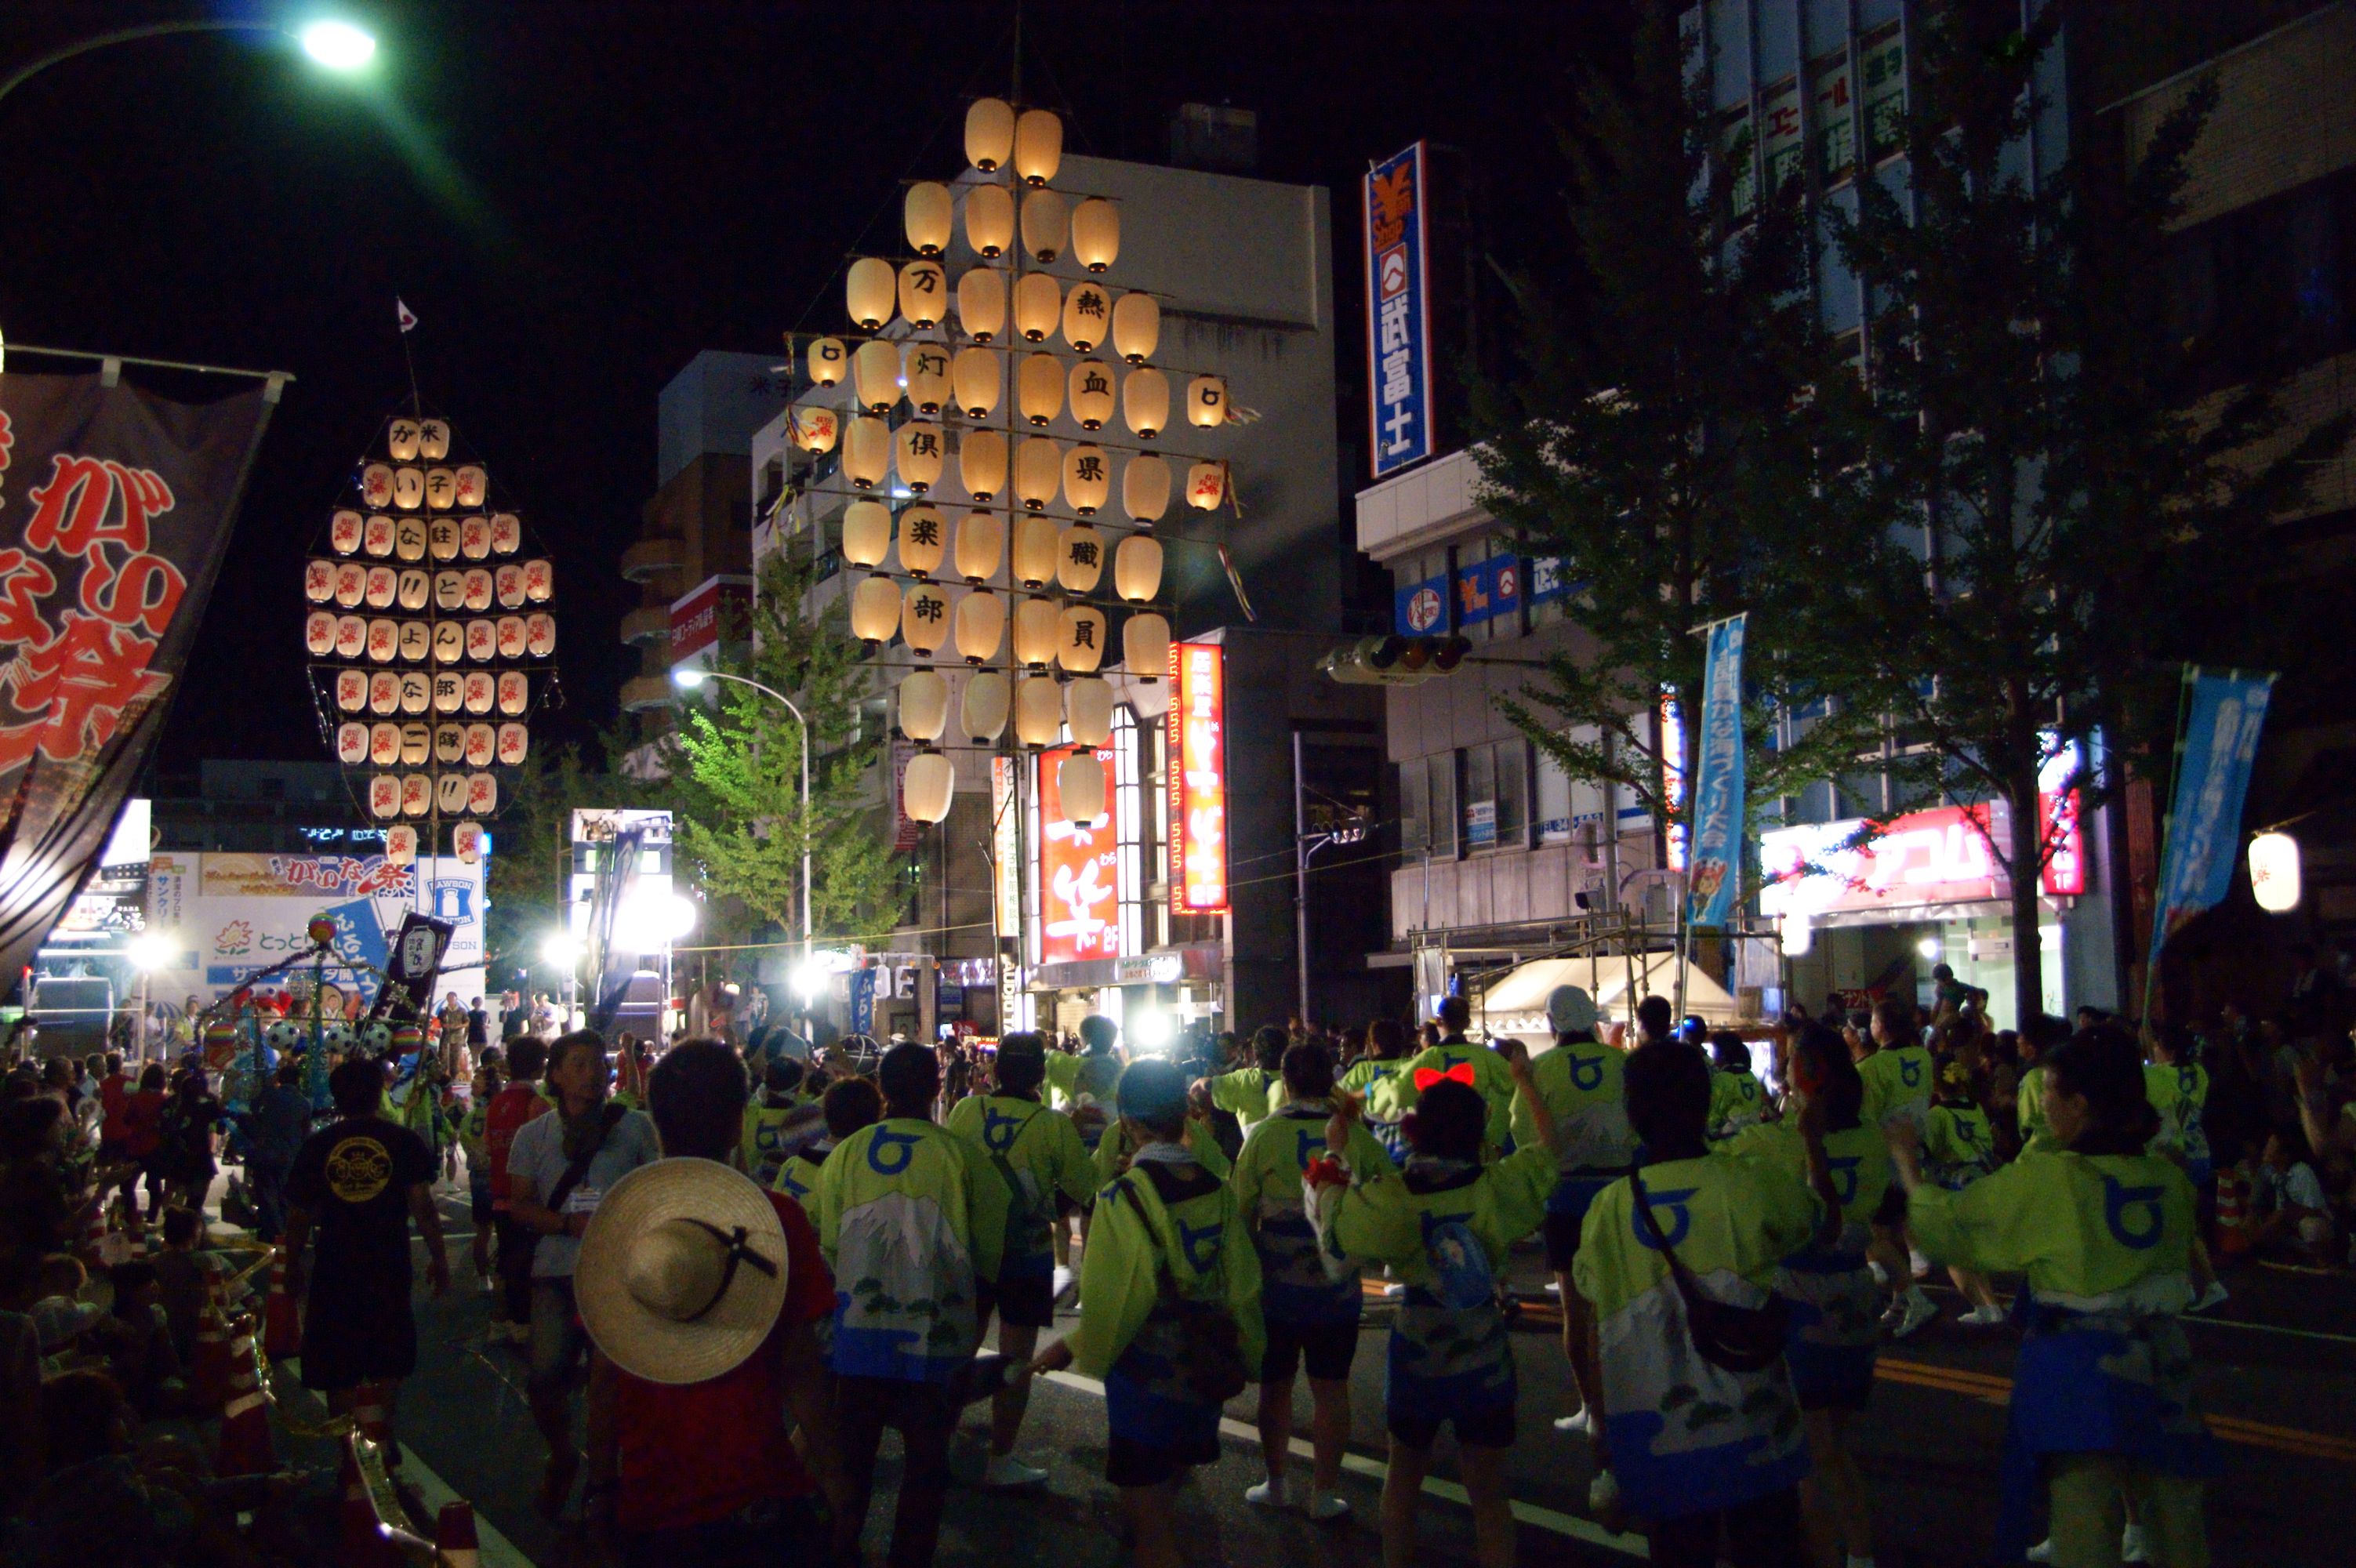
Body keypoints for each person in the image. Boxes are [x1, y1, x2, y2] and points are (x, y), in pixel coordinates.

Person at [1890, 1026, 2216, 1568]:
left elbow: (1947, 1227)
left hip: (2082, 1366)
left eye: (2048, 1094)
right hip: (2163, 1358)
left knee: (2085, 1520)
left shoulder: (2052, 1178)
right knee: (2176, 1517)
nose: (2042, 1107)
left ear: (2078, 1105)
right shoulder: (2165, 1178)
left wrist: (1907, 1166)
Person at [575, 1038, 841, 1566]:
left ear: (655, 1123)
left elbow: (604, 1376)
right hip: (759, 1494)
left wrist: (602, 1487)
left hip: (653, 1502)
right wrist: (839, 1485)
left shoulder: (621, 1225)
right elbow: (801, 1372)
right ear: (736, 1121)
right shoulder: (778, 1221)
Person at [1574, 1041, 1832, 1568]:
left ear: (1632, 1111)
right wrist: (1813, 1148)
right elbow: (1820, 1225)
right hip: (1756, 1427)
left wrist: (1601, 1424)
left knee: (1677, 1553)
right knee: (1770, 1549)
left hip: (1656, 1437)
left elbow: (1592, 1319)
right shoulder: (1748, 1183)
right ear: (1704, 1103)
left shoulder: (1607, 1208)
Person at [1309, 1047, 1559, 1568]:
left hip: (1417, 1351)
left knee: (1403, 1478)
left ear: (1414, 1129)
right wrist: (1523, 1082)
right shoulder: (1496, 1187)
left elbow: (1335, 1234)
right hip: (1483, 1352)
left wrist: (1336, 1151)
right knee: (1489, 1496)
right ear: (1479, 1132)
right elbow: (1547, 1149)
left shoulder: (1394, 1198)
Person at [1030, 1058, 1263, 1568]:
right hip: (1206, 1370)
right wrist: (1248, 1354)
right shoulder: (1216, 1191)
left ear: (1129, 1124)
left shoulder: (1123, 1197)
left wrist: (1078, 1347)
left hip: (1146, 1379)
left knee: (1152, 1531)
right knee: (1171, 1497)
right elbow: (1243, 1286)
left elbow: (1114, 1301)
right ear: (1183, 1115)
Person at [815, 1041, 1009, 1568]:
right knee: (926, 1468)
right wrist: (971, 1334)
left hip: (857, 1338)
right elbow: (986, 1257)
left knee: (851, 1462)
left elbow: (829, 1246)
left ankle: (840, 1551)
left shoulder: (847, 1154)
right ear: (934, 1087)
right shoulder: (962, 1157)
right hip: (937, 1338)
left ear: (881, 1089)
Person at [1720, 1026, 1888, 1568]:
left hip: (1800, 1296)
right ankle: (1860, 1553)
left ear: (1806, 1075)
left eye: (1792, 1061)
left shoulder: (1778, 1142)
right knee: (1835, 1446)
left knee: (1809, 1455)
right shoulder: (1869, 1136)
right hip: (1856, 1293)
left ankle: (1824, 1556)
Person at [505, 1029, 662, 1515]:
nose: (592, 1074)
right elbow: (520, 1205)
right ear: (555, 1074)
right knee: (545, 1377)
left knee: (607, 1381)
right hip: (556, 1271)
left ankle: (602, 1481)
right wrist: (567, 1223)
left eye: (598, 1064)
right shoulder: (534, 1136)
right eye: (577, 1065)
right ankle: (562, 1453)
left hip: (619, 1272)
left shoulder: (635, 1128)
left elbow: (656, 1187)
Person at [1229, 1040, 1387, 1521]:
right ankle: (1323, 1493)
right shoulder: (1353, 1135)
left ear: (1287, 1082)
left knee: (1275, 1387)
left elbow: (1239, 1211)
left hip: (1276, 1287)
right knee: (1331, 1388)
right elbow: (1386, 1193)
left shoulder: (1262, 1134)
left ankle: (1277, 1484)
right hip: (1336, 1287)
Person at [945, 1030, 1096, 1487]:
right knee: (1016, 1356)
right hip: (1026, 1256)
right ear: (1041, 1074)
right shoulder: (1052, 1125)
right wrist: (1050, 1209)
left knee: (958, 1348)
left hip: (970, 1251)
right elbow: (1083, 1187)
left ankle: (939, 1435)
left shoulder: (967, 1110)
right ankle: (1001, 1457)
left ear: (994, 1070)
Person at [283, 1056, 448, 1446]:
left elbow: (299, 1213)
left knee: (337, 1357)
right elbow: (422, 1205)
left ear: (336, 1099)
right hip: (388, 1259)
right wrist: (439, 1258)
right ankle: (382, 1434)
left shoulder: (319, 1146)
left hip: (334, 1262)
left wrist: (292, 1264)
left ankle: (349, 1446)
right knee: (388, 1352)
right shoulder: (402, 1141)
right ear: (378, 1093)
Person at [1512, 984, 1640, 1468]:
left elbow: (1525, 1135)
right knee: (1621, 1300)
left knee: (1576, 1308)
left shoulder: (1541, 1072)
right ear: (1591, 1022)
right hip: (1620, 1193)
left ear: (1552, 1025)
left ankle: (1592, 1409)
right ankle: (1622, 1402)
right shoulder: (1622, 1064)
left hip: (1566, 1197)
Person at [1854, 998, 1937, 1337]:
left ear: (1881, 1027)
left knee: (1876, 1235)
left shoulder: (1872, 1068)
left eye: (1873, 1020)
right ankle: (1900, 1298)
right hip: (1914, 1153)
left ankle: (1914, 1299)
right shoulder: (1922, 1056)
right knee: (1894, 1230)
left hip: (1885, 1157)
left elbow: (1867, 1118)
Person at [1921, 1060, 2006, 1324]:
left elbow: (1929, 1151)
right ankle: (1993, 1306)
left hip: (1954, 1185)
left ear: (1936, 1085)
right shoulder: (1976, 1108)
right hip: (1980, 1180)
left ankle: (1981, 1308)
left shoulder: (1938, 1114)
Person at [483, 1036, 552, 1344]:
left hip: (499, 1194)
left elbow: (487, 1147)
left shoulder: (496, 1103)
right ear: (540, 1064)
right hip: (527, 1200)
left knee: (506, 1263)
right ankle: (522, 1326)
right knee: (527, 1267)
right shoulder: (536, 1105)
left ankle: (499, 1322)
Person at [1393, 995, 1518, 1153]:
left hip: (1436, 1144)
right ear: (1467, 1023)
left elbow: (1397, 1092)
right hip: (1474, 1142)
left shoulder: (1427, 1058)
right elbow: (1515, 1086)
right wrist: (1495, 1135)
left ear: (1439, 1021)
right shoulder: (1485, 1056)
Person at [238, 1061, 311, 1243]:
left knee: (266, 1194)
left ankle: (274, 1233)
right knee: (284, 1196)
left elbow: (251, 1112)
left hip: (265, 1152)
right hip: (289, 1155)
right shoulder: (303, 1103)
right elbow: (305, 1132)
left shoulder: (268, 1095)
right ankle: (283, 1232)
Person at [2252, 1128, 2338, 1265]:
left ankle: (2323, 1261)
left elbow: (2317, 1210)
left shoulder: (2301, 1172)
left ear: (2284, 1155)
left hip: (2322, 1226)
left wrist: (2288, 1212)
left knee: (2309, 1226)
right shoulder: (2279, 1175)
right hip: (2295, 1226)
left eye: (2271, 1147)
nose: (2266, 1150)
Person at [1337, 1017, 1414, 1163]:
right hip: (1408, 1146)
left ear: (1374, 1044)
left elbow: (1336, 1098)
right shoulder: (1411, 1066)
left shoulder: (1361, 1071)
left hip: (1370, 1147)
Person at [741, 1056, 822, 1189]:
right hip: (790, 1191)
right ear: (797, 1089)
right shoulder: (808, 1116)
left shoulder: (749, 1113)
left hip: (752, 1193)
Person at [1200, 1024, 1289, 1136]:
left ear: (1255, 1053)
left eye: (1226, 1047)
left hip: (1253, 1150)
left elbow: (1201, 1087)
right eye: (1220, 1047)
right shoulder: (1295, 1080)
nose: (1222, 1051)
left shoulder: (1242, 1079)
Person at [458, 1060, 501, 1287]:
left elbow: (466, 1143)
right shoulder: (500, 1112)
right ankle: (502, 1277)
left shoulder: (469, 1117)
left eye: (477, 1080)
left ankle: (483, 1278)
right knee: (503, 1229)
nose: (473, 1083)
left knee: (482, 1231)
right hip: (498, 1173)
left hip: (478, 1174)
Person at [1708, 1031, 1769, 1141]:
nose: (1712, 1055)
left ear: (1722, 1054)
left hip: (1732, 1137)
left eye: (1714, 1051)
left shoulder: (1723, 1079)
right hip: (1756, 1134)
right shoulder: (1750, 1075)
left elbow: (1713, 1115)